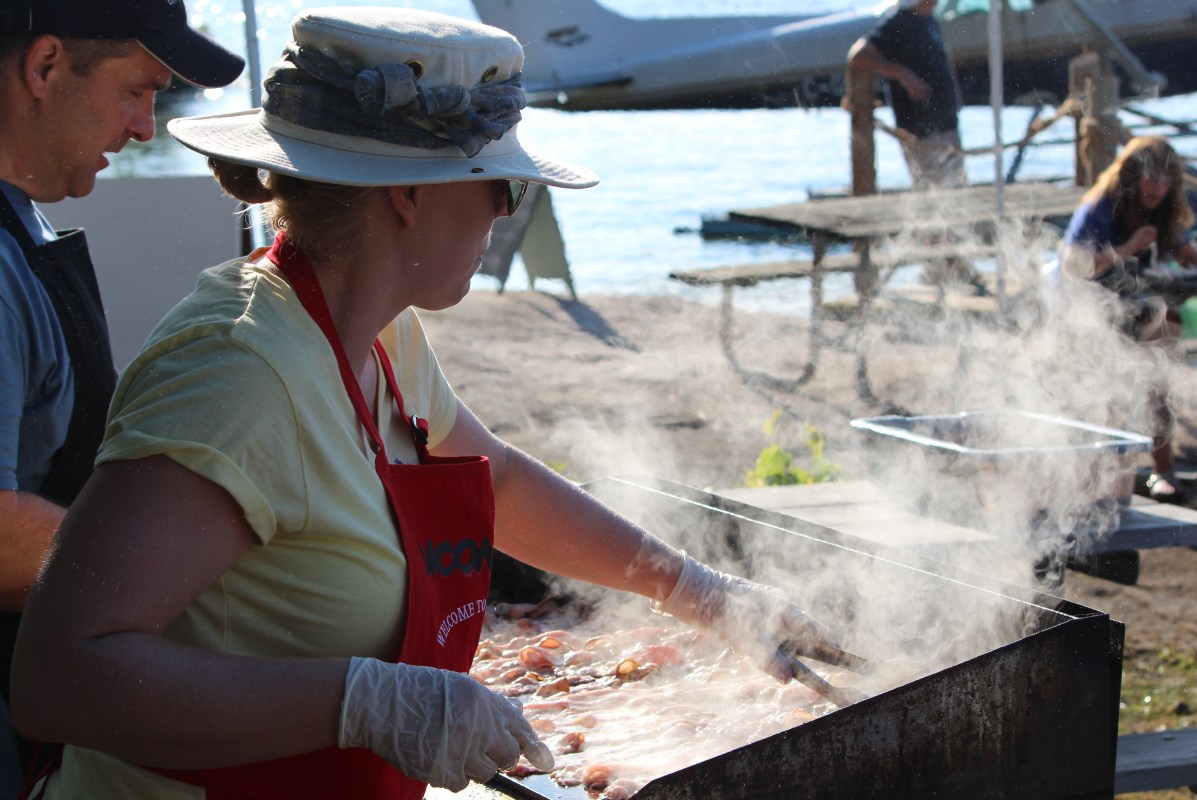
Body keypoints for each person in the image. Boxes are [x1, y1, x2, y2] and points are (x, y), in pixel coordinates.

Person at [10, 9, 860, 799]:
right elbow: (60, 677)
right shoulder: (234, 375)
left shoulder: (376, 332)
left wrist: (703, 593)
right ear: (406, 195)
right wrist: (364, 702)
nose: (506, 212)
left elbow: (498, 482)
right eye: (503, 187)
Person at [0, 0, 243, 791]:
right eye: (137, 91)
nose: (145, 127)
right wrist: (220, 577)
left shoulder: (19, 229)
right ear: (43, 67)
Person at [1060, 136, 1197, 503]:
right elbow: (1072, 266)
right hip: (1088, 307)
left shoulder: (1164, 208)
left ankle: (1162, 470)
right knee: (1105, 391)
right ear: (1133, 177)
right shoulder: (1099, 208)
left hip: (1137, 302)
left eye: (1165, 179)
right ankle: (1098, 475)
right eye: (1150, 178)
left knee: (1158, 373)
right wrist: (1126, 248)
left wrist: (1191, 256)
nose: (1157, 187)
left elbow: (1183, 249)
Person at [847, 0, 965, 191]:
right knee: (930, 186)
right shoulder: (897, 23)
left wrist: (955, 91)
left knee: (956, 183)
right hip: (919, 123)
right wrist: (903, 74)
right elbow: (858, 55)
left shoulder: (928, 20)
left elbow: (943, 56)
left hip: (945, 119)